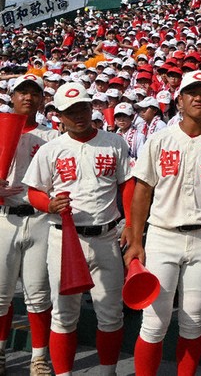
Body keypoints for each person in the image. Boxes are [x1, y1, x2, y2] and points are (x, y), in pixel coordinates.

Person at [125, 71, 201, 376]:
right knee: (155, 322)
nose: (198, 97)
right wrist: (136, 240)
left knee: (193, 322)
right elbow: (142, 191)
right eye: (192, 93)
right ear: (180, 100)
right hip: (163, 236)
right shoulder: (160, 139)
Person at [22, 82, 134, 376]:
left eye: (83, 107)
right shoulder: (51, 149)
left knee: (111, 314)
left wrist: (132, 225)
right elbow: (34, 191)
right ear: (58, 115)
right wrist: (49, 205)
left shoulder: (115, 142)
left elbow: (127, 185)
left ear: (91, 107)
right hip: (64, 238)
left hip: (106, 237)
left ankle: (108, 372)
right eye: (70, 111)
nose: (79, 115)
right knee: (64, 315)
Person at [0, 75, 58, 376]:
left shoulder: (51, 136)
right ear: (12, 97)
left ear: (42, 99)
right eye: (22, 92)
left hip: (39, 218)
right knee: (1, 293)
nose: (28, 97)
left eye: (34, 93)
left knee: (37, 293)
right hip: (5, 216)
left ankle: (39, 357)